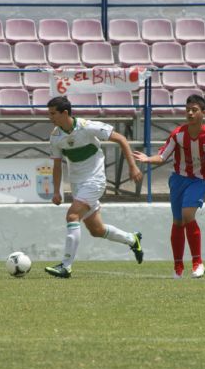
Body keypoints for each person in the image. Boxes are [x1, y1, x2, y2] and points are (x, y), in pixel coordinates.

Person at [133, 94, 205, 279]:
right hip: (178, 180)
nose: (190, 113)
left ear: (204, 113)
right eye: (187, 109)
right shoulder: (178, 134)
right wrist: (148, 159)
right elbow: (162, 156)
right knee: (178, 221)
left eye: (194, 110)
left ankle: (197, 262)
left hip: (198, 181)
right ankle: (178, 267)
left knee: (188, 215)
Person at [44, 96, 144, 279]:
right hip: (78, 184)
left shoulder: (87, 126)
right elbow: (57, 165)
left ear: (65, 113)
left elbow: (121, 139)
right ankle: (132, 239)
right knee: (96, 230)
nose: (50, 118)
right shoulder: (55, 137)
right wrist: (57, 191)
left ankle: (65, 266)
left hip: (95, 181)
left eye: (53, 114)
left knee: (72, 216)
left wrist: (132, 166)